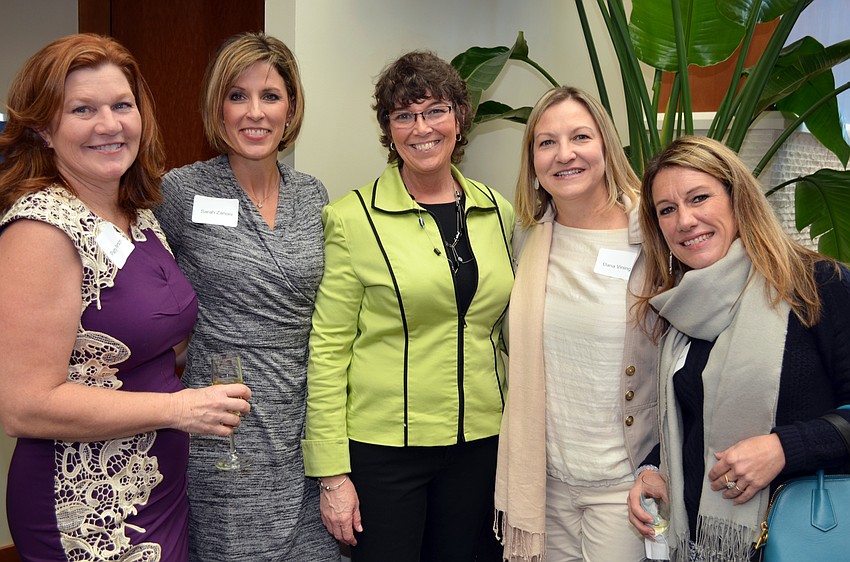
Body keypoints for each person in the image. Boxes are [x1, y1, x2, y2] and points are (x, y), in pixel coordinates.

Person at [0, 34, 251, 561]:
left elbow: (138, 337)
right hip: (88, 504)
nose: (110, 125)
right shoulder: (40, 230)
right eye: (83, 109)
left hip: (157, 490)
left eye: (122, 105)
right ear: (45, 128)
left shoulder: (137, 215)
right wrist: (178, 409)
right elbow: (23, 406)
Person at [301, 50, 515, 562]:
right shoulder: (352, 219)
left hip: (481, 444)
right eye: (404, 115)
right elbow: (328, 350)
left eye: (436, 110)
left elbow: (505, 332)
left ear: (460, 118)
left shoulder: (497, 212)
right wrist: (332, 473)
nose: (422, 127)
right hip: (384, 453)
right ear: (389, 129)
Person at [153, 32, 340, 561]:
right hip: (226, 420)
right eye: (237, 96)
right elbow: (146, 293)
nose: (254, 112)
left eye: (270, 96)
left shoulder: (313, 195)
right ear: (218, 105)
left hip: (306, 415)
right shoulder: (181, 192)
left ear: (291, 106)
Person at [627, 135, 850, 562]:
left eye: (699, 198)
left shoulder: (817, 285)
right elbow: (694, 421)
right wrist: (653, 472)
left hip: (801, 538)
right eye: (667, 210)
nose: (685, 220)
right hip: (698, 544)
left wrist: (785, 447)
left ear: (737, 199)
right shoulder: (681, 308)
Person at [494, 86, 657, 561]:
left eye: (580, 137)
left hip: (624, 487)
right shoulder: (530, 237)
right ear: (533, 161)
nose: (564, 155)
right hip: (546, 485)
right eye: (546, 143)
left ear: (605, 145)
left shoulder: (653, 232)